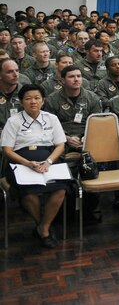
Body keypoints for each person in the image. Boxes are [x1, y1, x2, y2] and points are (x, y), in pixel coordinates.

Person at [1, 84, 67, 248]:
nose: (33, 102)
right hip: (21, 164)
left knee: (61, 189)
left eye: (37, 98)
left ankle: (43, 227)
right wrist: (28, 163)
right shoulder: (13, 121)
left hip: (48, 162)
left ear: (43, 101)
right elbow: (7, 150)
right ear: (21, 102)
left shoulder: (51, 118)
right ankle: (44, 228)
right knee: (29, 193)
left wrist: (49, 162)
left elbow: (60, 146)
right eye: (28, 98)